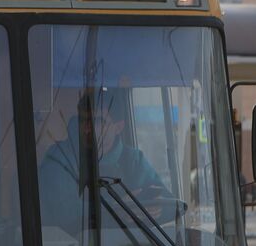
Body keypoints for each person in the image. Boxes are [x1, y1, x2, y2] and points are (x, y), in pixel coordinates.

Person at [37, 96, 169, 231]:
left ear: (118, 127)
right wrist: (115, 209)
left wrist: (157, 208)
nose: (87, 128)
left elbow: (170, 205)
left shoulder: (134, 160)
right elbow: (64, 213)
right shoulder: (59, 157)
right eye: (83, 120)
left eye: (98, 121)